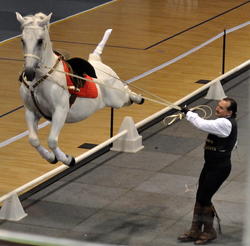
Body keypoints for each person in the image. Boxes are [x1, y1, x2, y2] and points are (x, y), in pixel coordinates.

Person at [177, 97, 238, 245]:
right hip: (210, 165)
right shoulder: (225, 123)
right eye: (218, 106)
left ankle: (209, 231)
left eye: (221, 108)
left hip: (219, 168)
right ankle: (195, 230)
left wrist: (189, 113)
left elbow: (202, 124)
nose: (217, 109)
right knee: (200, 196)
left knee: (204, 198)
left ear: (229, 112)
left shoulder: (224, 123)